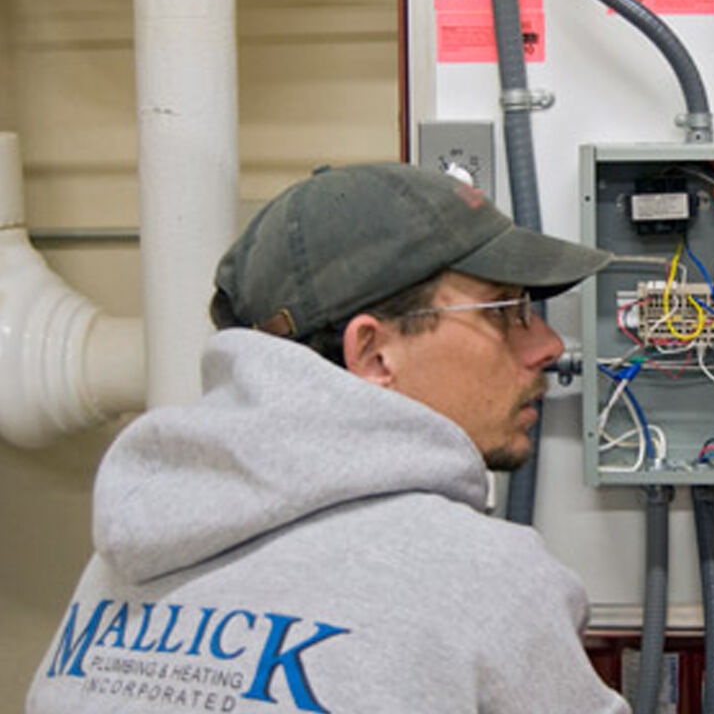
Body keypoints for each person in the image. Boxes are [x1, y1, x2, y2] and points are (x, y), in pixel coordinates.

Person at [27, 163, 629, 713]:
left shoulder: (127, 554)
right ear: (373, 352)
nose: (548, 347)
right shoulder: (486, 578)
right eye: (507, 311)